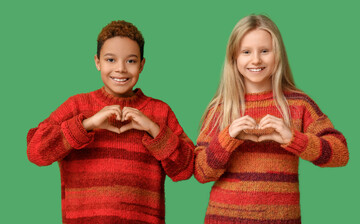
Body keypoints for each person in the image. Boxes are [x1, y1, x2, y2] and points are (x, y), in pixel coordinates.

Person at [27, 20, 195, 224]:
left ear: (142, 64)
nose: (121, 69)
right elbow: (36, 151)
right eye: (110, 60)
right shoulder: (76, 106)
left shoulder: (160, 111)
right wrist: (86, 125)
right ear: (97, 62)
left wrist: (153, 129)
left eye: (131, 61)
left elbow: (186, 169)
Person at [194, 15, 349, 224]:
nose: (256, 59)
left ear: (278, 55)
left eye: (265, 51)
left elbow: (340, 153)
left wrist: (293, 138)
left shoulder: (299, 104)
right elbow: (202, 172)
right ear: (234, 58)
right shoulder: (220, 108)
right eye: (246, 52)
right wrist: (227, 138)